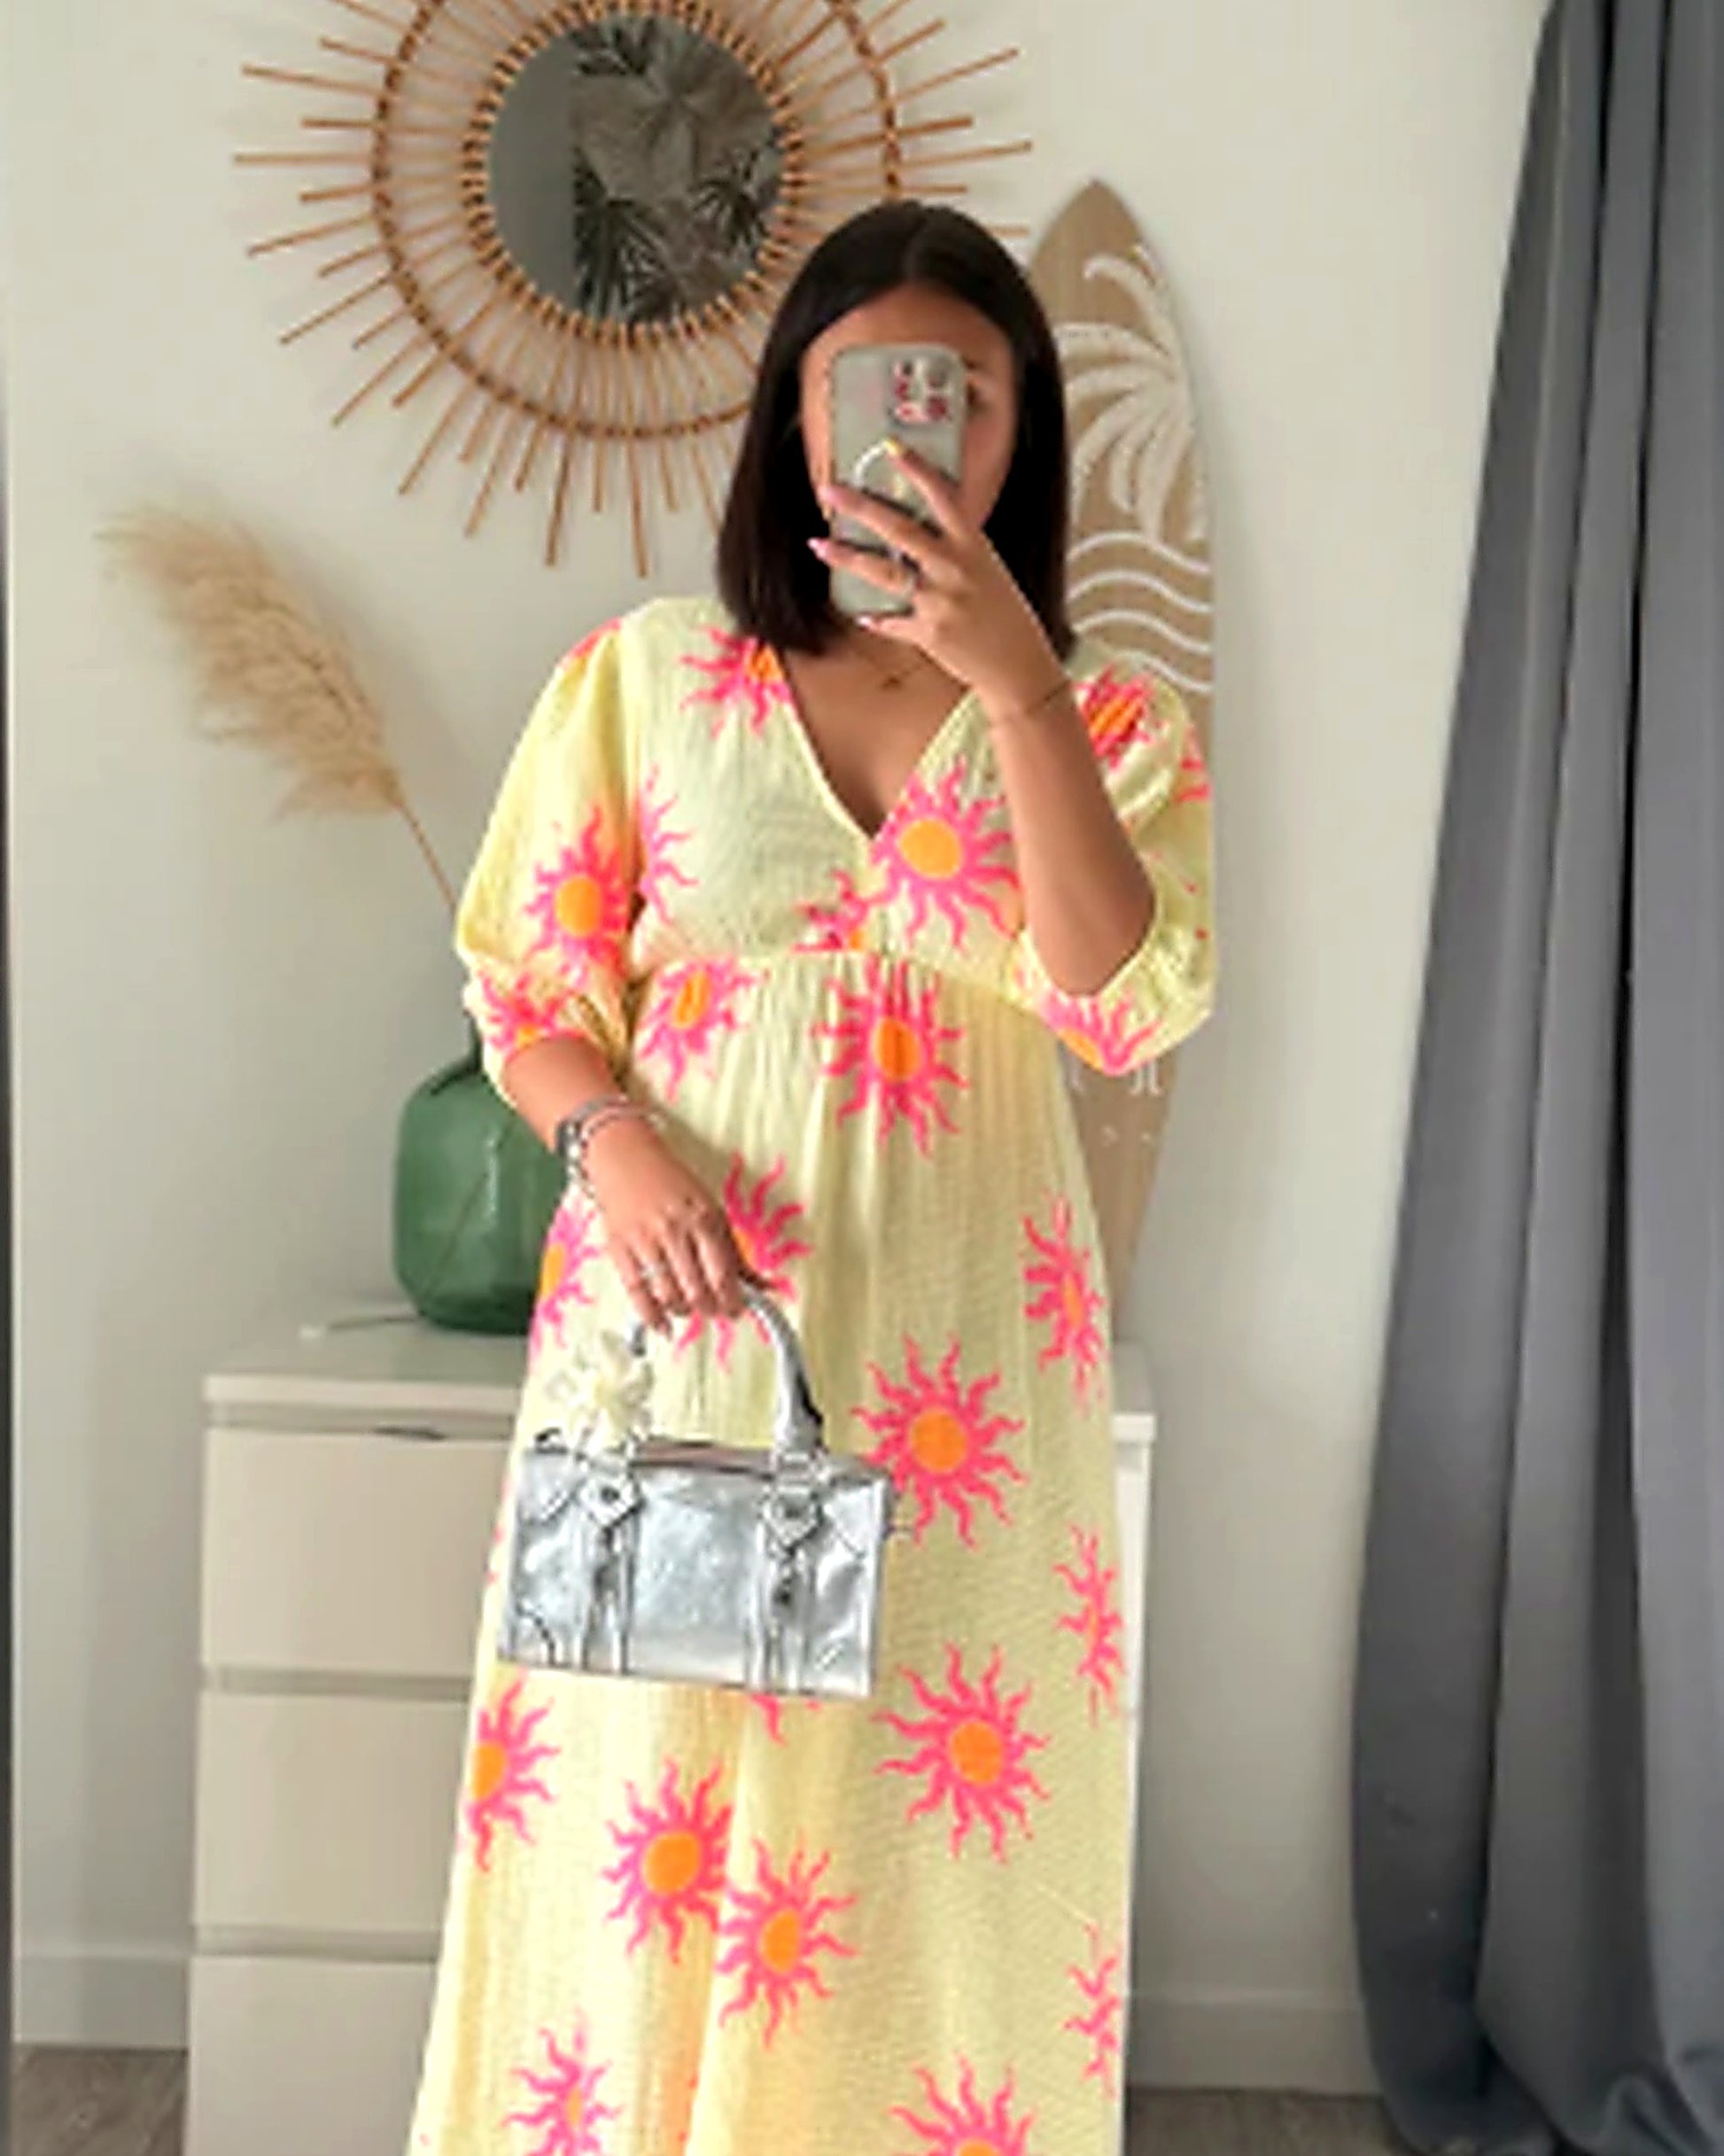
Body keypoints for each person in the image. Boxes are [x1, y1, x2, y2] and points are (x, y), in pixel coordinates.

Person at [407, 197, 1216, 2156]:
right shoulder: (645, 676)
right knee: (648, 1829)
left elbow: (1120, 997)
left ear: (1020, 432)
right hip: (676, 1338)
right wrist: (611, 1146)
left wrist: (1017, 685)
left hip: (964, 1388)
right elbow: (529, 990)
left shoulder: (1108, 715)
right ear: (793, 415)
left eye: (966, 391)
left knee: (924, 1859)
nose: (916, 423)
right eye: (867, 383)